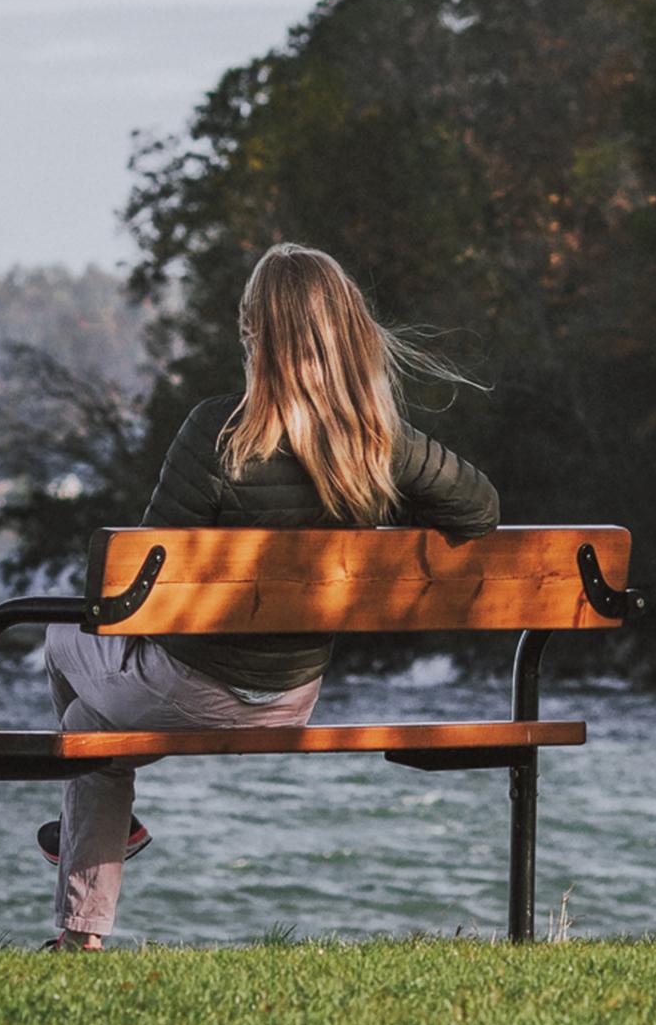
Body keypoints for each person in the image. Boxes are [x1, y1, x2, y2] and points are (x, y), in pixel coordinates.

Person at [39, 242, 498, 950]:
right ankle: (93, 838)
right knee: (83, 727)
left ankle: (85, 921)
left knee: (63, 649)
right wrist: (391, 511)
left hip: (192, 690)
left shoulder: (218, 434)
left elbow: (144, 588)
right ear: (348, 333)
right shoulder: (378, 445)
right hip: (292, 698)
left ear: (254, 334)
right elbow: (480, 508)